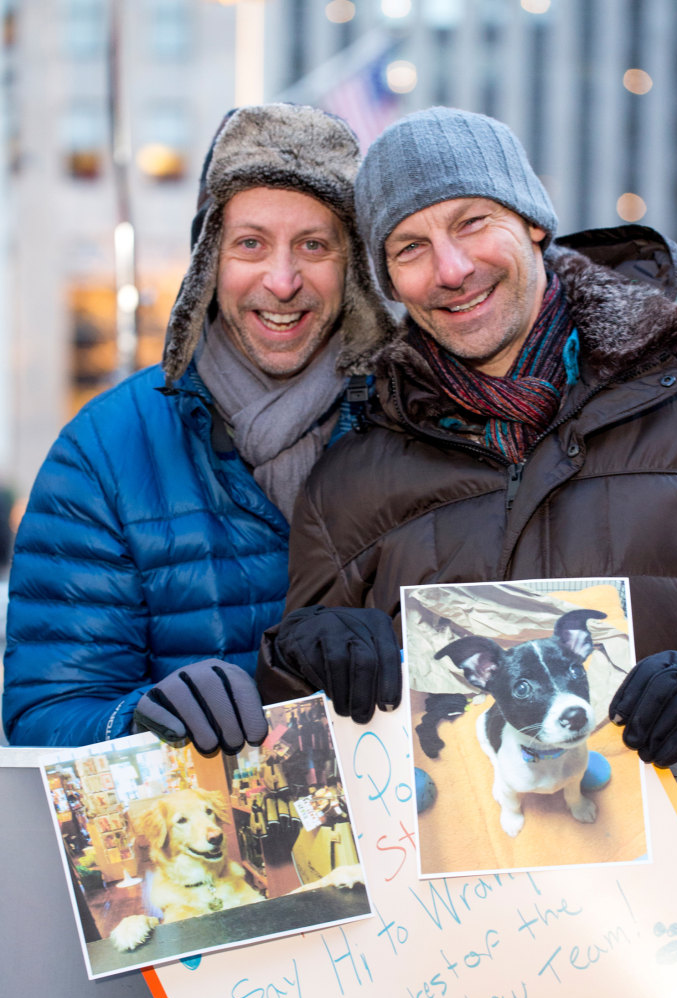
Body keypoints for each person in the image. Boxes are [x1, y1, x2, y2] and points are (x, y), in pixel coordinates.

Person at [258, 105, 677, 774]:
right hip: (467, 872)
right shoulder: (348, 482)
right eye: (411, 248)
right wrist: (298, 664)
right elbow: (306, 769)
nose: (453, 268)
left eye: (472, 222)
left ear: (532, 223)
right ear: (390, 284)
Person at [3, 103, 393, 752]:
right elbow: (49, 716)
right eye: (251, 243)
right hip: (205, 846)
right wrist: (138, 720)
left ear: (350, 266)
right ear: (209, 259)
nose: (283, 280)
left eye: (314, 245)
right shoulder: (102, 455)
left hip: (394, 837)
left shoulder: (411, 424)